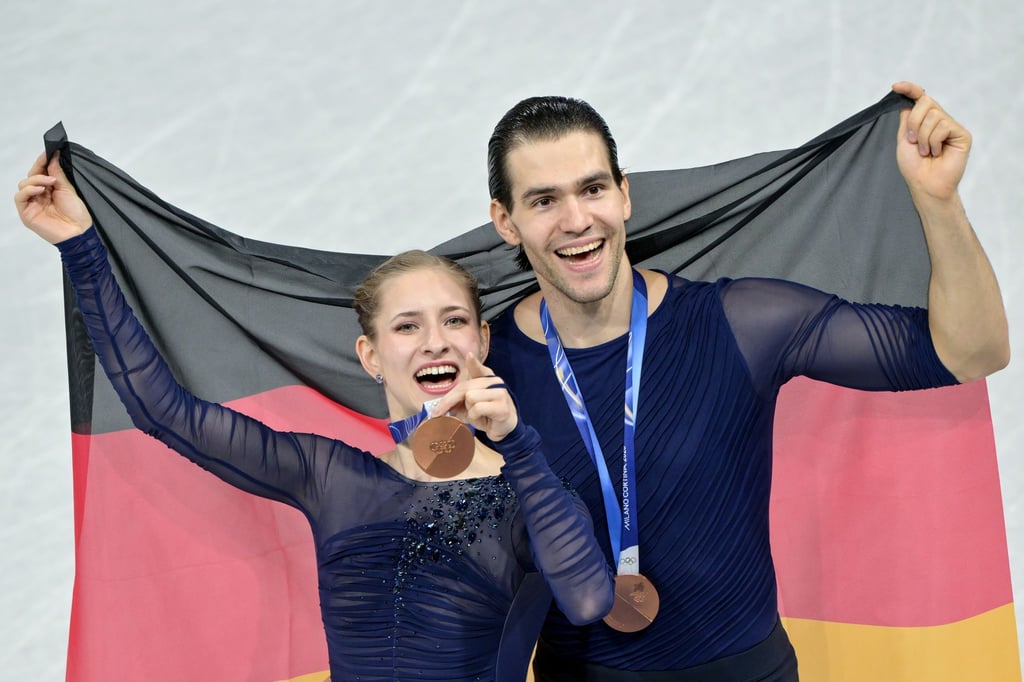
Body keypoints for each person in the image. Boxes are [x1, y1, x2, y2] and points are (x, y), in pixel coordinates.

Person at [468, 80, 1010, 680]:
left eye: (592, 188)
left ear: (623, 196)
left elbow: (971, 351)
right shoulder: (485, 371)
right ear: (506, 221)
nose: (577, 219)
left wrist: (938, 202)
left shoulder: (740, 323)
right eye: (543, 201)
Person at [14, 153, 615, 682]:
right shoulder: (330, 476)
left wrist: (518, 445)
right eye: (407, 326)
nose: (435, 341)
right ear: (371, 356)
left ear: (482, 340)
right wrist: (82, 249)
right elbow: (162, 410)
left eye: (453, 320)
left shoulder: (527, 489)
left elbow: (588, 598)